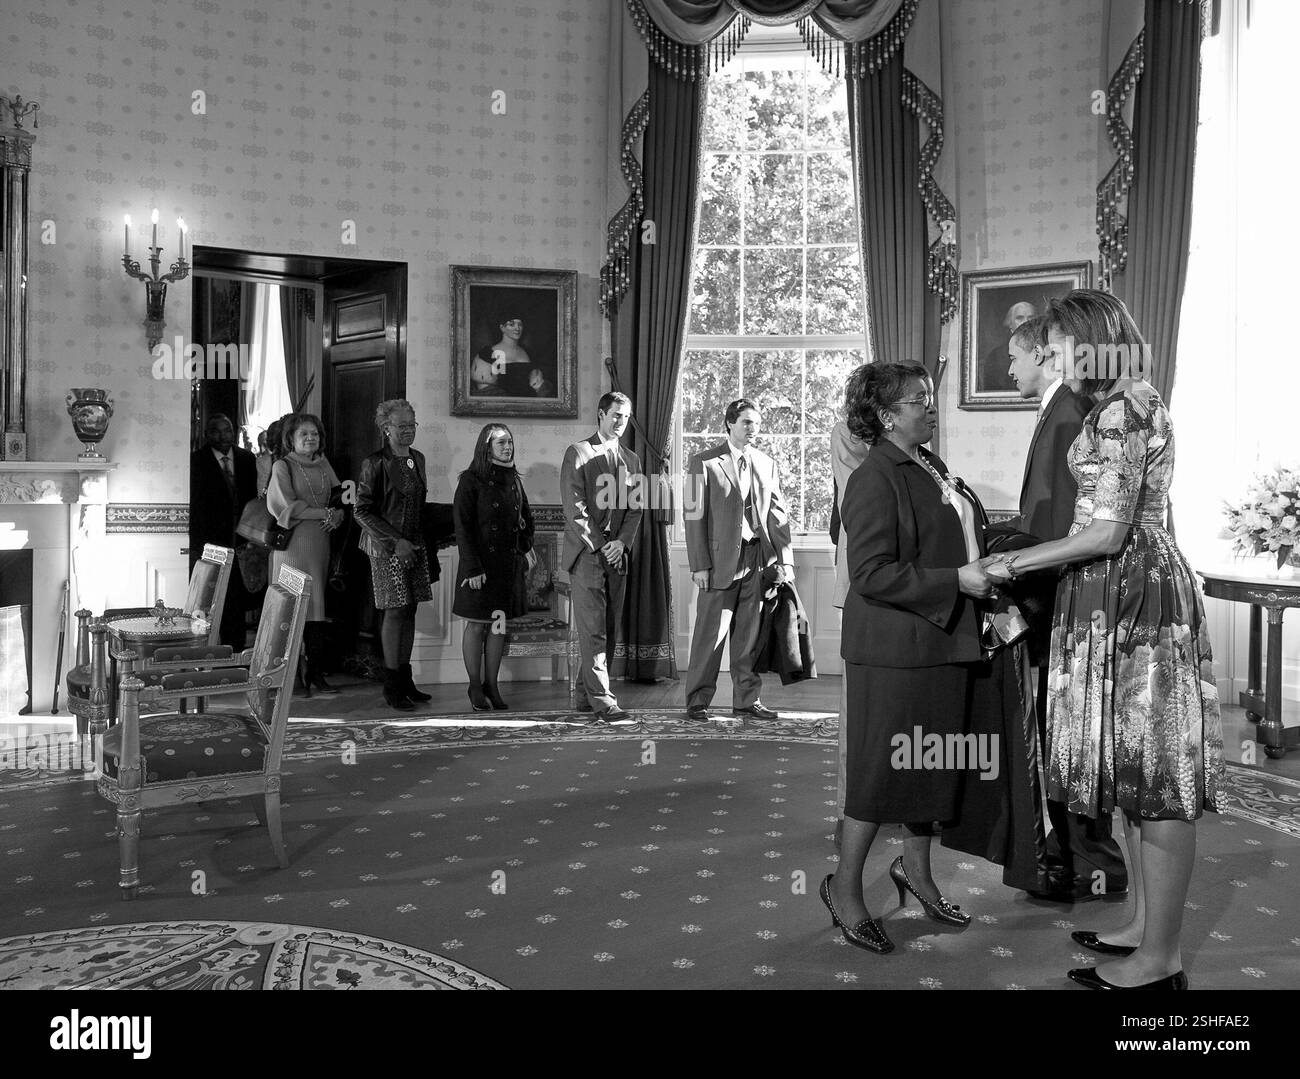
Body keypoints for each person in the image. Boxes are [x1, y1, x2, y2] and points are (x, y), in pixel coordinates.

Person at [985, 289, 1224, 990]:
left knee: (1154, 775)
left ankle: (1161, 956)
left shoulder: (1122, 410)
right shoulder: (1133, 400)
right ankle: (1142, 926)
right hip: (1122, 585)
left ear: (1091, 341)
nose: (1055, 357)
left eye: (1059, 345)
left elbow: (1107, 530)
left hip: (1129, 588)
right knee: (1131, 768)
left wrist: (1013, 561)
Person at [822, 364, 997, 954]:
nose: (930, 407)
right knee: (878, 777)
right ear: (886, 415)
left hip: (941, 642)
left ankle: (915, 874)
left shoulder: (929, 463)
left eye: (930, 397)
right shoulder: (874, 477)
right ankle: (845, 888)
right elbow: (870, 574)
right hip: (894, 653)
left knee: (929, 769)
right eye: (918, 400)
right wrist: (959, 579)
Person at [1000, 314, 1128, 902]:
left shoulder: (1074, 413)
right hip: (1058, 587)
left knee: (1073, 734)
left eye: (1020, 356)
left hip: (1067, 592)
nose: (1011, 367)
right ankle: (1068, 854)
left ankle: (1089, 862)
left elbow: (1069, 519)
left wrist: (1022, 573)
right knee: (1062, 732)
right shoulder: (1063, 410)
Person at [684, 398, 794, 722]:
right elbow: (692, 516)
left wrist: (785, 560)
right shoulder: (701, 462)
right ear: (730, 423)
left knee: (748, 637)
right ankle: (697, 701)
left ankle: (747, 699)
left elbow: (778, 515)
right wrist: (699, 564)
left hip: (757, 558)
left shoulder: (766, 463)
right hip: (717, 563)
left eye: (757, 424)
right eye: (747, 422)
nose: (753, 429)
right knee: (710, 636)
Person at [560, 391, 643, 723]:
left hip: (617, 554)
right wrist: (600, 544)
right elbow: (574, 508)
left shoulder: (633, 461)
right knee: (593, 630)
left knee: (609, 627)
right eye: (615, 415)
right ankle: (604, 702)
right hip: (587, 554)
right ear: (600, 415)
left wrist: (621, 543)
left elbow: (637, 509)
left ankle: (585, 694)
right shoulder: (578, 452)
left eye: (625, 417)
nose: (620, 422)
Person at [354, 400, 436, 711]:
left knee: (411, 609)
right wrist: (396, 541)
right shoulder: (374, 462)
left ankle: (406, 679)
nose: (408, 431)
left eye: (412, 425)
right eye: (401, 426)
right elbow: (361, 510)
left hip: (415, 545)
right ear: (386, 428)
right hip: (386, 548)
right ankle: (391, 684)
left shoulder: (419, 459)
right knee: (395, 610)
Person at [453, 423, 535, 711]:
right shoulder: (470, 480)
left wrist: (523, 550)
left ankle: (492, 685)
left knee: (498, 626)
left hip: (506, 569)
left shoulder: (514, 479)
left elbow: (526, 520)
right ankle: (475, 686)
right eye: (501, 442)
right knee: (477, 626)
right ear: (486, 447)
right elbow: (462, 528)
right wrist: (473, 568)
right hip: (478, 568)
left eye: (510, 441)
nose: (507, 446)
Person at [266, 413, 344, 696]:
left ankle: (315, 673)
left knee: (316, 611)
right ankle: (289, 676)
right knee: (293, 610)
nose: (311, 438)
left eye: (315, 434)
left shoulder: (324, 465)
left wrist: (338, 516)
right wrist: (324, 513)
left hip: (320, 545)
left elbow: (338, 500)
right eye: (304, 434)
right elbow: (286, 509)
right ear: (291, 439)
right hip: (293, 549)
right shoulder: (282, 466)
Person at [830, 366, 872, 837]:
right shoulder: (848, 435)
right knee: (857, 705)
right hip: (864, 579)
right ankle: (849, 809)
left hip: (905, 585)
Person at [189, 412, 257, 648]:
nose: (223, 436)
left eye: (227, 430)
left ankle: (234, 652)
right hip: (208, 542)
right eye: (216, 431)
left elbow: (252, 500)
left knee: (235, 601)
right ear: (207, 434)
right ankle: (202, 652)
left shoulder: (247, 459)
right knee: (205, 600)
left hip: (240, 543)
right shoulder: (195, 461)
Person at [981, 300, 1036, 394]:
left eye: (1031, 317)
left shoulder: (1047, 350)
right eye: (1020, 318)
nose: (1026, 322)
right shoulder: (996, 356)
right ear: (1010, 324)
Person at [471, 315, 530, 396]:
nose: (517, 328)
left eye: (520, 324)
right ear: (502, 328)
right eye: (511, 324)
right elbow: (484, 391)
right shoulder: (487, 354)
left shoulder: (527, 351)